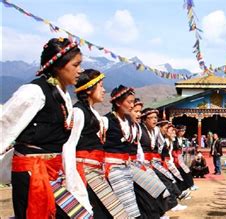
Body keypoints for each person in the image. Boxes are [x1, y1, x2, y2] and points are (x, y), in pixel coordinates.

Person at [0, 38, 93, 218]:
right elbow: (4, 127)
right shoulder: (33, 92)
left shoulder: (63, 94)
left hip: (51, 171)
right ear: (59, 66)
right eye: (76, 65)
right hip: (32, 173)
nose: (80, 71)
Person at [64, 69, 128, 218]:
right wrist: (72, 182)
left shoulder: (95, 114)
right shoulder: (78, 112)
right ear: (89, 89)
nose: (104, 90)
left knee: (114, 212)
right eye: (101, 86)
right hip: (84, 174)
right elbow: (69, 146)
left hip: (96, 171)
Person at [103, 85, 141, 218]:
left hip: (127, 167)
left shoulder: (130, 123)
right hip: (112, 168)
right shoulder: (106, 120)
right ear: (118, 102)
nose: (132, 105)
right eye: (129, 102)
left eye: (133, 102)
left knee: (130, 201)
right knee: (126, 204)